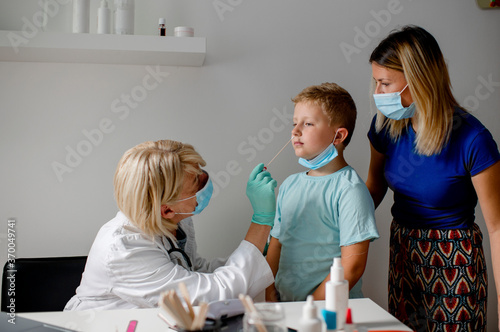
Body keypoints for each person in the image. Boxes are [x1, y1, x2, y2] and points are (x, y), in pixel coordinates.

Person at [366, 25, 500, 331]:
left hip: (454, 259)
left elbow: (498, 228)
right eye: (375, 82)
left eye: (385, 84)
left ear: (419, 80)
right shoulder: (387, 127)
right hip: (403, 251)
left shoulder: (472, 139)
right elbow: (373, 189)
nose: (378, 94)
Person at [65, 140, 277, 310]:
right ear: (166, 209)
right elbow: (211, 294)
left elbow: (192, 271)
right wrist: (261, 221)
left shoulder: (175, 219)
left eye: (202, 172)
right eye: (197, 183)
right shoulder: (124, 249)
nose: (207, 181)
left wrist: (257, 253)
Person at [265, 83, 379, 302]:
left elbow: (352, 266)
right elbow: (276, 244)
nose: (295, 131)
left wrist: (310, 307)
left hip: (328, 312)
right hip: (286, 307)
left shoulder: (350, 190)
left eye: (307, 123)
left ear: (338, 136)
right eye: (294, 123)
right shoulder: (289, 185)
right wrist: (270, 292)